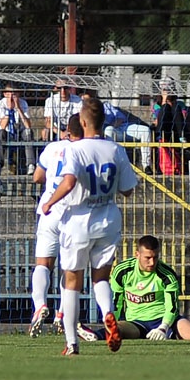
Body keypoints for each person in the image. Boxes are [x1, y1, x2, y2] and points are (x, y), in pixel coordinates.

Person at [42, 98, 138, 356]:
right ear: (103, 122)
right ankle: (108, 314)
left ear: (83, 122)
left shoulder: (75, 149)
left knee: (72, 281)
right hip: (108, 219)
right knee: (101, 277)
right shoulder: (115, 149)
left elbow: (70, 182)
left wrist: (50, 202)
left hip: (79, 219)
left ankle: (72, 343)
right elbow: (128, 190)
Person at [79, 235, 190, 342]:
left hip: (164, 321)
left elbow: (172, 307)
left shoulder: (167, 274)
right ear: (137, 254)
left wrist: (163, 327)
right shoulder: (122, 271)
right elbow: (117, 302)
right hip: (135, 322)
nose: (152, 262)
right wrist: (112, 323)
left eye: (155, 257)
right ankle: (93, 335)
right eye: (147, 258)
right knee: (116, 331)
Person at [29, 113, 82, 338]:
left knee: (43, 263)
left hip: (49, 210)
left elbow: (37, 176)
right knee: (68, 267)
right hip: (72, 211)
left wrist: (52, 178)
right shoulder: (87, 150)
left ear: (67, 130)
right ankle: (61, 313)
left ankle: (40, 305)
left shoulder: (53, 147)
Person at [80, 89, 153, 175]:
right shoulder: (83, 112)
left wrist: (115, 123)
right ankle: (112, 163)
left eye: (90, 99)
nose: (89, 102)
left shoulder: (106, 105)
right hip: (108, 131)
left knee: (145, 130)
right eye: (86, 100)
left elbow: (120, 117)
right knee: (108, 130)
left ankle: (146, 165)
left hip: (122, 127)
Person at [0, 84, 37, 176]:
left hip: (20, 131)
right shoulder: (1, 104)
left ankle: (31, 165)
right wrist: (9, 109)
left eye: (14, 93)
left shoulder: (23, 103)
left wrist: (18, 108)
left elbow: (27, 125)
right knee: (0, 134)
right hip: (7, 131)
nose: (12, 96)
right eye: (10, 93)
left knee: (28, 133)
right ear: (5, 94)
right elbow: (3, 125)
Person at [152, 83, 187, 175]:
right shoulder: (156, 105)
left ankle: (182, 137)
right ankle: (160, 136)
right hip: (164, 129)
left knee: (175, 107)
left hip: (176, 130)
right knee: (165, 108)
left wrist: (171, 105)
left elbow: (183, 117)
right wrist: (164, 101)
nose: (167, 92)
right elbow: (156, 121)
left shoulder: (180, 104)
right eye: (164, 90)